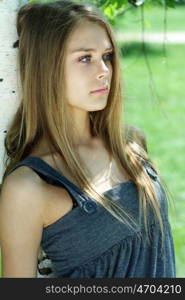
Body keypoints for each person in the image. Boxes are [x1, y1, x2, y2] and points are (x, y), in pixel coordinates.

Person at [0, 0, 176, 278]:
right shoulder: (29, 187)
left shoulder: (130, 144)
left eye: (106, 56)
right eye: (85, 58)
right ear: (47, 68)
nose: (105, 70)